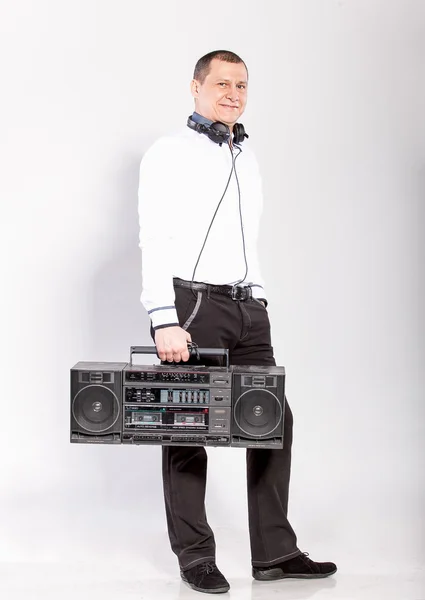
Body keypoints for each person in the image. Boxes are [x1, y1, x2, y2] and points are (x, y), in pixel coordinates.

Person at [137, 49, 337, 594]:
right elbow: (153, 238)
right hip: (194, 307)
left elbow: (245, 241)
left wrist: (261, 298)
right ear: (197, 87)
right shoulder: (168, 152)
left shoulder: (245, 156)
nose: (233, 93)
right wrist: (163, 318)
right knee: (185, 428)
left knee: (273, 422)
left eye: (242, 85)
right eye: (222, 83)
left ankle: (274, 552)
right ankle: (195, 556)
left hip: (248, 309)